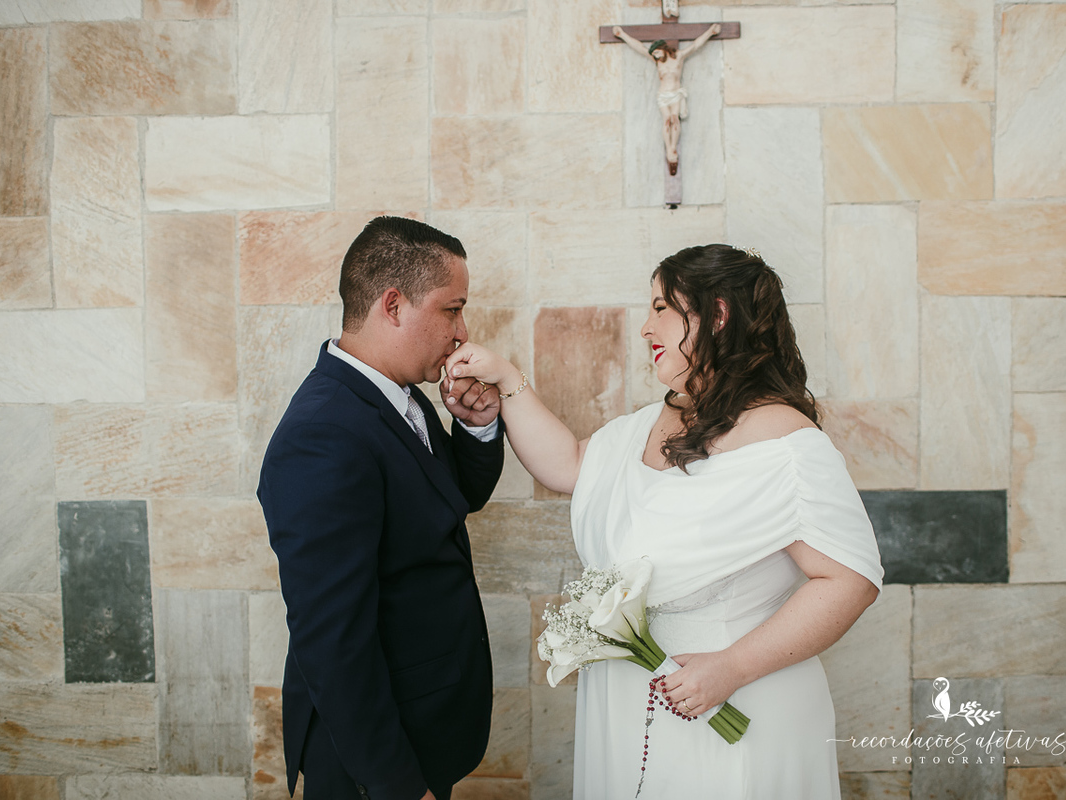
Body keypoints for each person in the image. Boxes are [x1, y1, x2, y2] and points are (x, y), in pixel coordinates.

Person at [444, 244, 884, 798]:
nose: (645, 327)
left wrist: (729, 669)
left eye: (660, 308)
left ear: (717, 315)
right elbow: (571, 464)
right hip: (628, 699)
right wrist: (505, 379)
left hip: (729, 697)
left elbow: (851, 581)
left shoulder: (787, 442)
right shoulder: (656, 419)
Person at [257, 216, 506, 800]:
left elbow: (452, 502)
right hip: (372, 760)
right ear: (393, 305)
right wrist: (396, 784)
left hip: (424, 725)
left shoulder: (396, 394)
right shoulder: (321, 435)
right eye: (452, 309)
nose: (462, 332)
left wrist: (475, 427)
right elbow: (333, 641)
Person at [612, 23, 721, 175]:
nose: (654, 55)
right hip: (663, 95)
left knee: (674, 119)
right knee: (666, 120)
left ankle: (672, 147)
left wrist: (710, 31)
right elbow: (639, 47)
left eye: (656, 52)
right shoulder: (657, 60)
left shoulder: (679, 57)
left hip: (675, 94)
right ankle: (668, 147)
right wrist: (622, 34)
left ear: (663, 49)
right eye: (654, 54)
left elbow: (696, 45)